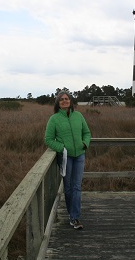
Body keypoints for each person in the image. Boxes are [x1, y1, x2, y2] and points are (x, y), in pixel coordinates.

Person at [45, 91, 91, 229]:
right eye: (62, 99)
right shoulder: (54, 119)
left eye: (67, 98)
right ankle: (72, 214)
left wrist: (84, 144)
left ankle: (74, 217)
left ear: (70, 101)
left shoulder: (78, 116)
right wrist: (62, 148)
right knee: (69, 187)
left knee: (77, 186)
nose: (65, 101)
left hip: (79, 156)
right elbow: (48, 140)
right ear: (58, 103)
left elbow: (87, 133)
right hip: (66, 157)